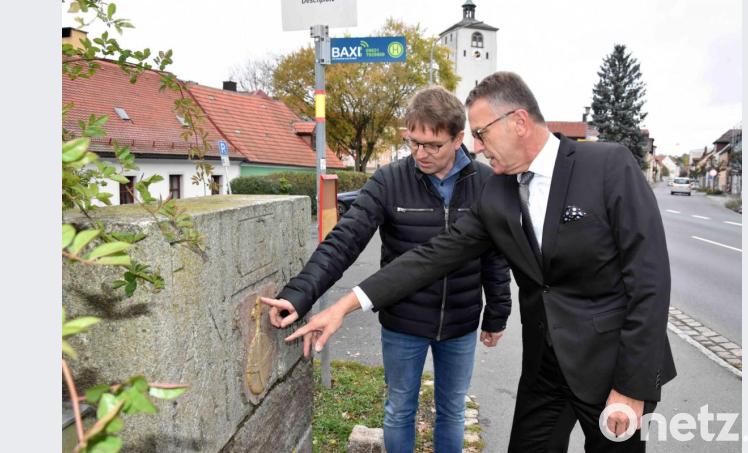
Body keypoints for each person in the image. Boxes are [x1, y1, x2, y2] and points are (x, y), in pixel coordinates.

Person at [281, 72, 677, 452]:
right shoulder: (499, 192)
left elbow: (649, 281)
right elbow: (430, 257)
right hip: (545, 371)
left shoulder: (608, 166)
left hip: (610, 368)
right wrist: (345, 305)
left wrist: (632, 385)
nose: (479, 147)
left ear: (518, 121)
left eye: (482, 134)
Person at [261, 86, 512, 453]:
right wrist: (299, 294)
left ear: (459, 139)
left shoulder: (486, 182)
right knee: (399, 410)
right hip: (403, 322)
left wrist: (497, 313)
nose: (420, 154)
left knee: (452, 411)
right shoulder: (390, 180)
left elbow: (494, 255)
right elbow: (344, 241)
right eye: (414, 143)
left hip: (459, 321)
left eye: (433, 145)